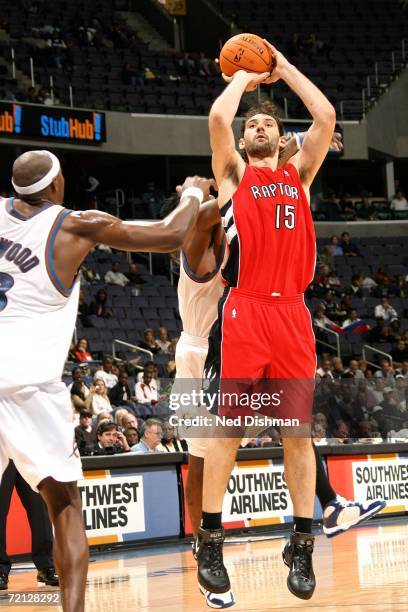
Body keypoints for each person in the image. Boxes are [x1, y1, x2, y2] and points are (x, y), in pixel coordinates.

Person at [0, 148, 213, 611]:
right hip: (27, 387)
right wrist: (194, 193)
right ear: (56, 187)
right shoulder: (75, 223)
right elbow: (169, 234)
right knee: (65, 507)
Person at [172, 157, 383, 606]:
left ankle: (328, 505)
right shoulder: (199, 245)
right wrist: (196, 194)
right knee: (203, 457)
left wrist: (295, 156)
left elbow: (262, 208)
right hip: (198, 355)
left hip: (243, 339)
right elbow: (219, 210)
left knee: (292, 424)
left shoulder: (242, 237)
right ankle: (204, 553)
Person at [201, 41, 342, 601]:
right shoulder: (233, 175)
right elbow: (218, 116)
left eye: (267, 123)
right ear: (243, 139)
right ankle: (209, 538)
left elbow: (326, 116)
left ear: (280, 139)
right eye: (252, 124)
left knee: (297, 434)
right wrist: (244, 79)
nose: (259, 126)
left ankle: (301, 543)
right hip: (247, 309)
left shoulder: (299, 176)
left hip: (292, 315)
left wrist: (281, 70)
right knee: (230, 429)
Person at [0, 461, 58, 590]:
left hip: (27, 451)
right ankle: (0, 569)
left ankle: (46, 566)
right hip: (2, 448)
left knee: (40, 508)